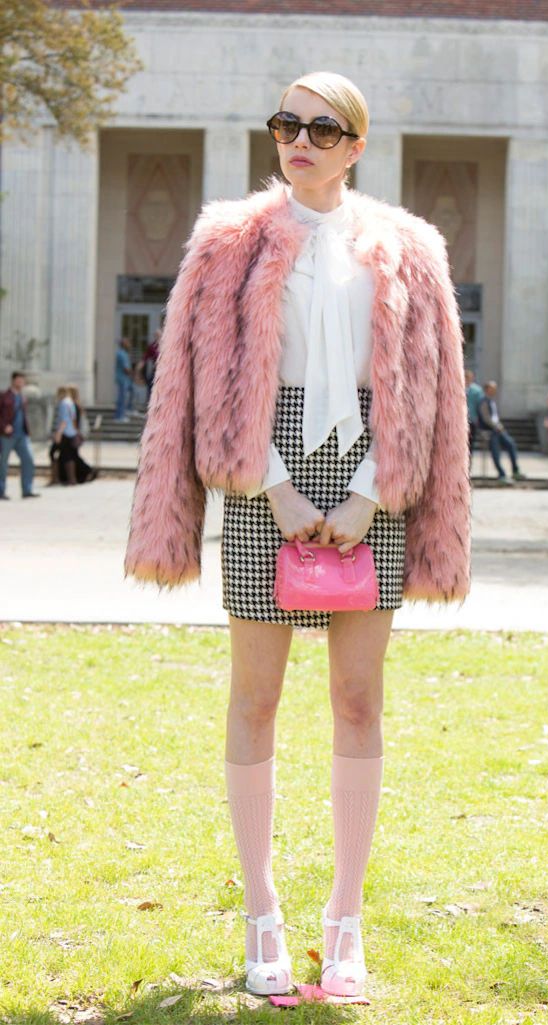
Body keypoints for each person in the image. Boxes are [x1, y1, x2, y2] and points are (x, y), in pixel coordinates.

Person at [125, 71, 471, 997]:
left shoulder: (407, 248)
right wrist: (272, 486)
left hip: (374, 475)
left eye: (322, 126)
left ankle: (345, 923)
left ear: (357, 144)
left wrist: (370, 493)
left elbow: (428, 387)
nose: (300, 139)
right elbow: (201, 378)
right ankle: (261, 911)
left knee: (358, 699)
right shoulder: (228, 243)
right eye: (287, 123)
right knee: (256, 699)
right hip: (258, 474)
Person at [0, 371, 40, 500]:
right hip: (6, 436)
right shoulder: (4, 396)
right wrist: (4, 426)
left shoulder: (22, 397)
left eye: (23, 381)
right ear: (13, 380)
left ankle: (27, 490)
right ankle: (1, 491)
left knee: (28, 460)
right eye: (19, 380)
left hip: (22, 435)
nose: (21, 383)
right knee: (3, 464)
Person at [478, 381, 526, 484]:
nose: (494, 390)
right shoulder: (483, 401)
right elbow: (486, 418)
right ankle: (502, 475)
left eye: (495, 388)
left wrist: (499, 426)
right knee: (496, 452)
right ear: (487, 389)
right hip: (491, 431)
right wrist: (496, 426)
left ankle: (515, 470)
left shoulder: (492, 401)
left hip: (498, 429)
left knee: (511, 444)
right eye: (492, 388)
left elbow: (495, 417)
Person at [465, 369, 484, 459]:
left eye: (468, 377)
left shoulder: (477, 391)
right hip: (459, 422)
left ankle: (468, 467)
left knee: (470, 445)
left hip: (472, 420)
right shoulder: (457, 387)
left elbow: (481, 406)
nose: (467, 379)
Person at [114, 338, 133, 423]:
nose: (129, 344)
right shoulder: (122, 354)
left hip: (123, 379)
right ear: (124, 344)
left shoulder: (122, 353)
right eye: (127, 343)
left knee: (128, 394)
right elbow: (126, 368)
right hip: (123, 379)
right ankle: (120, 416)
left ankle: (127, 410)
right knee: (122, 398)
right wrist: (133, 374)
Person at [142, 330, 161, 399]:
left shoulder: (166, 345)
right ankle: (150, 401)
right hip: (155, 370)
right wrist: (141, 364)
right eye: (156, 335)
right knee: (151, 386)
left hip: (164, 371)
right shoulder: (152, 346)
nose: (157, 336)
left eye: (159, 335)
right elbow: (145, 357)